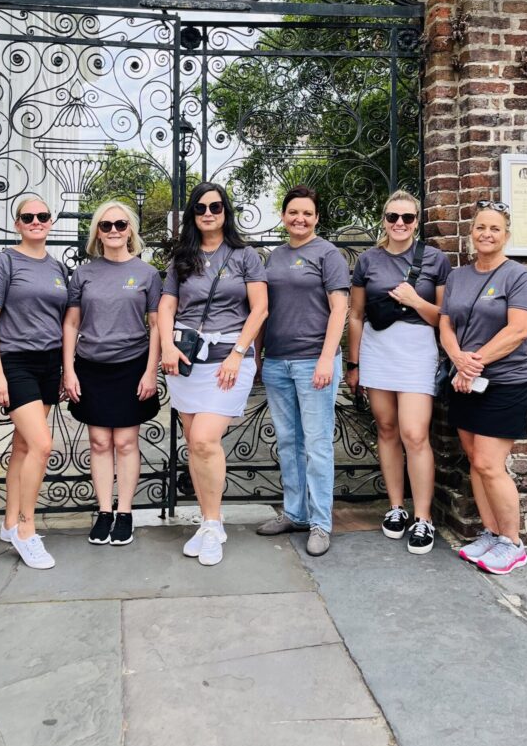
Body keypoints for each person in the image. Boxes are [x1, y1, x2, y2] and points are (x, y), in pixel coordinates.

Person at [158, 182, 268, 566]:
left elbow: (259, 310)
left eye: (216, 206)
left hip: (228, 361)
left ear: (226, 211)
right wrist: (167, 347)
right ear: (193, 214)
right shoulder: (181, 258)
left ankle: (210, 522)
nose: (208, 213)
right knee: (195, 443)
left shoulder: (245, 256)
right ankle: (210, 523)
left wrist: (239, 354)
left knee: (205, 439)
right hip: (187, 361)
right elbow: (167, 307)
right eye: (201, 207)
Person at [346, 189, 451, 555]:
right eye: (393, 217)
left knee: (414, 433)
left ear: (417, 221)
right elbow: (356, 314)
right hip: (378, 348)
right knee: (387, 429)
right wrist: (354, 362)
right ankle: (396, 507)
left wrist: (414, 300)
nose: (400, 224)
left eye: (407, 218)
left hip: (417, 348)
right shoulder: (368, 260)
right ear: (384, 220)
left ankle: (424, 517)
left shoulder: (435, 259)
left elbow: (443, 318)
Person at [440, 200, 527, 575]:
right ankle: (492, 532)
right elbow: (446, 324)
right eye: (481, 227)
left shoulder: (518, 276)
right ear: (472, 233)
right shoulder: (459, 276)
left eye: (494, 228)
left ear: (506, 235)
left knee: (489, 462)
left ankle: (513, 544)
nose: (486, 234)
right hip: (465, 381)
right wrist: (458, 360)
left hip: (506, 382)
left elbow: (518, 330)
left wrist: (473, 361)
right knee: (475, 462)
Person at [255, 186, 350, 556]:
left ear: (316, 218)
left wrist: (328, 359)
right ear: (283, 216)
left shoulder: (328, 254)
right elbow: (263, 310)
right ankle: (294, 512)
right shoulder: (274, 258)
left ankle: (320, 523)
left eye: (307, 213)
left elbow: (339, 310)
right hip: (278, 361)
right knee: (288, 442)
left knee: (317, 444)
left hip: (314, 361)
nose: (300, 218)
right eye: (293, 212)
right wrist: (259, 356)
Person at [0, 196, 68, 570]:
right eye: (28, 217)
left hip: (48, 363)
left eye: (42, 216)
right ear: (17, 224)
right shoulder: (4, 263)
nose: (35, 221)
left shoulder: (58, 266)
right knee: (43, 445)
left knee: (24, 446)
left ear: (50, 221)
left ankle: (9, 521)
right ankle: (26, 530)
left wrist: (63, 369)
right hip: (16, 363)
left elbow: (63, 322)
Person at [62, 201, 161, 547]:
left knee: (125, 441)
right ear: (97, 232)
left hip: (133, 365)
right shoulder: (84, 274)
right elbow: (71, 323)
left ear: (130, 229)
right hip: (91, 366)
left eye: (120, 224)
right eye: (106, 225)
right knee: (100, 442)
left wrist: (152, 371)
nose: (114, 230)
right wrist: (69, 370)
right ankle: (104, 511)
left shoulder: (147, 275)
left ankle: (125, 512)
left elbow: (157, 326)